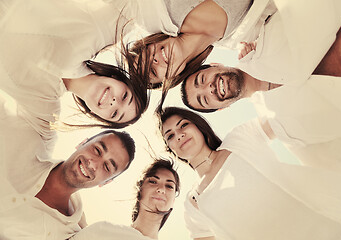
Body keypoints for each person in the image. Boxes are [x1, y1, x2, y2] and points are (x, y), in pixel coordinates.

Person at [157, 106, 341, 240]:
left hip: (334, 223)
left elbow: (284, 116)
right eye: (170, 136)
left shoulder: (239, 139)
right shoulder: (193, 203)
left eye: (183, 125)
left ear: (199, 126)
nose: (180, 135)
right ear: (171, 149)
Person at [0, 0, 149, 151]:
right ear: (118, 79)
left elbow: (37, 151)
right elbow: (138, 10)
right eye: (124, 96)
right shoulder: (97, 34)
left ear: (96, 115)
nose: (114, 102)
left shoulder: (45, 105)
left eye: (115, 113)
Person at [180, 62, 341, 174]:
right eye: (204, 99)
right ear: (222, 108)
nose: (209, 88)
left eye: (202, 79)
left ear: (215, 64)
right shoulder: (283, 127)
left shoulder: (262, 45)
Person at [0, 95, 136, 240]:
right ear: (82, 143)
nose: (93, 163)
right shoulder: (29, 139)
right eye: (97, 150)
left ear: (105, 182)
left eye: (107, 167)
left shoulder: (69, 235)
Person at [121, 0, 277, 90]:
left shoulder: (169, 6)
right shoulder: (239, 39)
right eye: (153, 71)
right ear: (171, 78)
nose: (153, 61)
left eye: (146, 54)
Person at [70, 158, 180, 240]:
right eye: (153, 181)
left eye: (169, 186)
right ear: (140, 189)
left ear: (173, 201)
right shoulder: (103, 231)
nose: (161, 189)